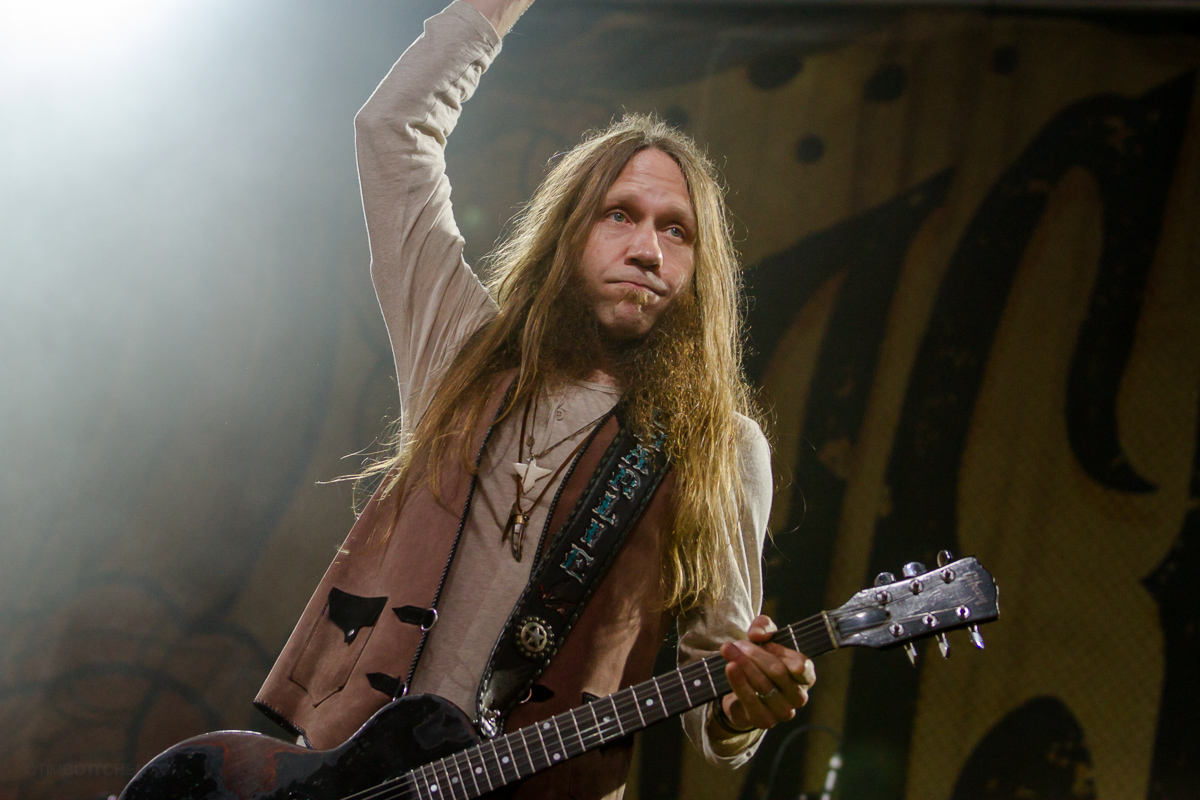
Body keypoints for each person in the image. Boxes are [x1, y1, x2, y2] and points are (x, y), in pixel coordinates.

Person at [255, 0, 815, 797]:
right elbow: (391, 133)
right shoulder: (461, 348)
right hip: (350, 776)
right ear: (568, 236)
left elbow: (716, 693)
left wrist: (746, 703)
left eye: (676, 230)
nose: (647, 249)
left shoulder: (721, 448)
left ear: (700, 271)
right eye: (619, 215)